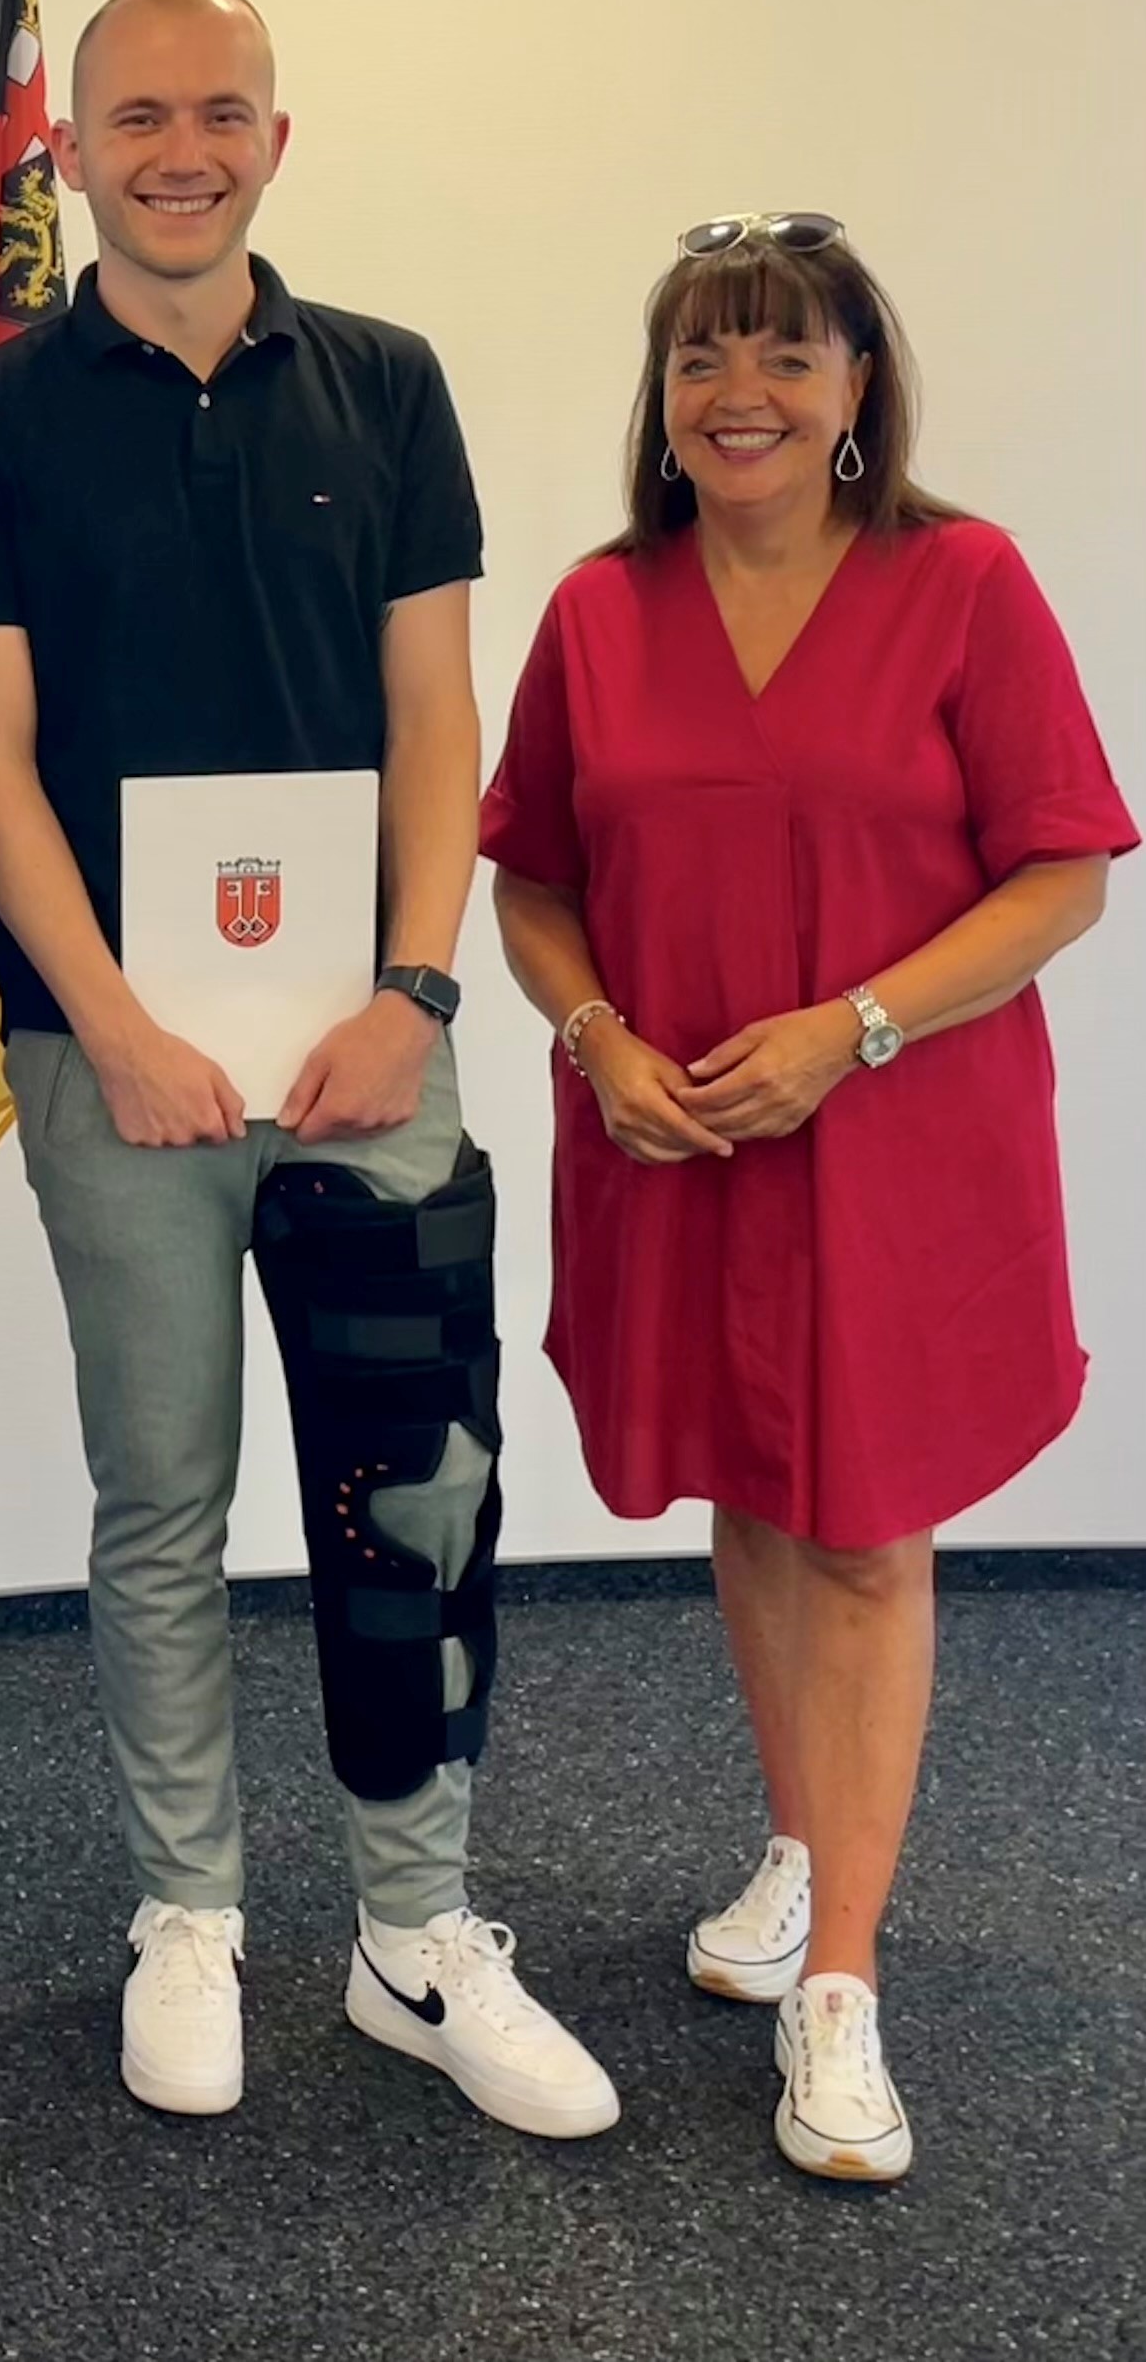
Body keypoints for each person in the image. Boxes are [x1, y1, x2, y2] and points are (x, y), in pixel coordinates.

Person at [0, 0, 617, 2140]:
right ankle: (186, 1910)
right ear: (73, 152)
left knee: (414, 1486)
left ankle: (413, 1927)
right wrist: (106, 1025)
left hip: (362, 1053)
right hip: (109, 1065)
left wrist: (410, 989)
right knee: (160, 1500)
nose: (178, 147)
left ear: (274, 141)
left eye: (219, 112)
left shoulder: (385, 386)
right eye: (135, 115)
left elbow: (432, 715)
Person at [481, 213, 1128, 2183]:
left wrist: (847, 1024)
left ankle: (836, 1980)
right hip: (672, 1132)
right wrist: (592, 1035)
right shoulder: (599, 607)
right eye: (698, 358)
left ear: (856, 388)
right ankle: (797, 1836)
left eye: (780, 353)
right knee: (750, 1492)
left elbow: (1060, 872)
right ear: (659, 403)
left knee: (863, 1528)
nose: (736, 391)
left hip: (887, 1141)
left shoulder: (963, 584)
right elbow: (526, 871)